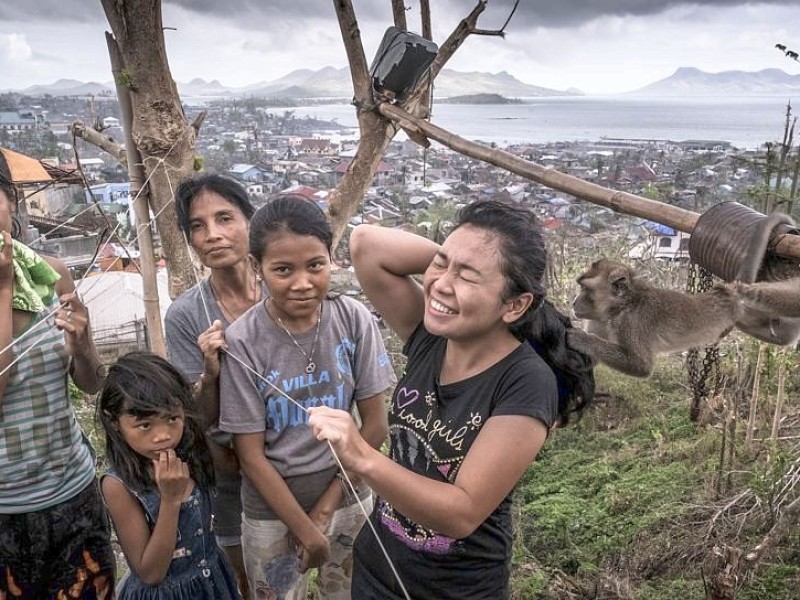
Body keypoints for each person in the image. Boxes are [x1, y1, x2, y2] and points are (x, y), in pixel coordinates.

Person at [308, 199, 595, 600]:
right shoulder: (431, 337)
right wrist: (461, 263)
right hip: (377, 571)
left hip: (454, 589)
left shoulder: (526, 383)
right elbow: (366, 244)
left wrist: (361, 456)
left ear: (515, 305)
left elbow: (461, 513)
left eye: (467, 276)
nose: (440, 284)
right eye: (439, 264)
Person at [218, 194, 395, 599]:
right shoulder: (244, 341)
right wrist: (303, 527)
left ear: (330, 259)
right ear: (256, 268)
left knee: (351, 593)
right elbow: (251, 456)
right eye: (283, 270)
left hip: (349, 497)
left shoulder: (353, 319)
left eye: (315, 265)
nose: (302, 282)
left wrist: (325, 510)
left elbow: (375, 427)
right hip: (272, 512)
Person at [0, 152, 116, 598]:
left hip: (72, 493)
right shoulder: (10, 279)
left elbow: (90, 382)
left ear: (11, 200)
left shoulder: (52, 274)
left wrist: (82, 344)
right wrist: (4, 288)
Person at [165, 173, 262, 598]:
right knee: (246, 581)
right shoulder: (187, 315)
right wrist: (211, 371)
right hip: (233, 475)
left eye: (225, 218)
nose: (213, 235)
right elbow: (198, 418)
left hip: (307, 462)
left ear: (250, 222)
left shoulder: (287, 288)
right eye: (198, 226)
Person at [98, 351, 241, 598]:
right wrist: (170, 500)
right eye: (145, 425)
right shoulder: (118, 485)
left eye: (172, 418)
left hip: (214, 585)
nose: (163, 435)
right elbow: (151, 574)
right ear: (114, 423)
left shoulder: (193, 452)